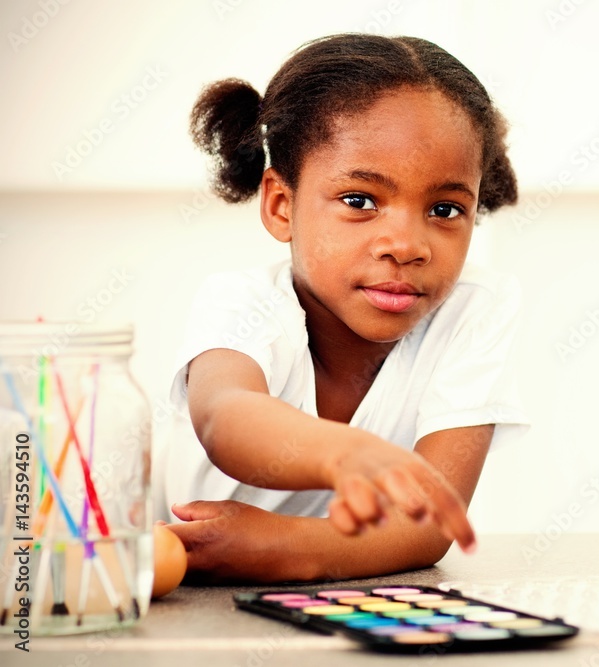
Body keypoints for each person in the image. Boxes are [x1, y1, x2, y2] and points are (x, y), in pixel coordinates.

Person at [156, 33, 527, 583]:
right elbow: (225, 417)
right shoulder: (243, 303)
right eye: (360, 201)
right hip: (167, 580)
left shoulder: (474, 310)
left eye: (445, 208)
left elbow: (427, 526)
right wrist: (344, 452)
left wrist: (284, 547)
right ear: (282, 205)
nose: (406, 245)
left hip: (326, 600)